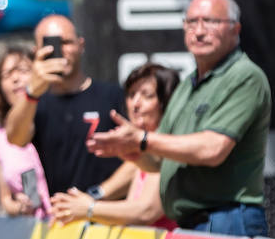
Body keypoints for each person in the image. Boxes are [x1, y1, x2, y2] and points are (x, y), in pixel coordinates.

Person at [89, 0, 270, 237]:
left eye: (211, 21)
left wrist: (143, 140)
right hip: (192, 224)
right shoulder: (186, 86)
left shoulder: (244, 76)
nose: (199, 30)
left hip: (228, 219)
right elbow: (158, 162)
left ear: (235, 29)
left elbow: (213, 149)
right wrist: (130, 151)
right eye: (192, 22)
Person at [4, 14, 124, 195]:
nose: (59, 50)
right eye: (50, 44)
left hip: (108, 214)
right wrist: (32, 92)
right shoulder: (35, 102)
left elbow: (140, 156)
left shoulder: (112, 96)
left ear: (81, 45)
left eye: (66, 42)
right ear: (37, 51)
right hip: (59, 216)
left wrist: (96, 196)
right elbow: (15, 138)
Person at [50, 61, 180, 229]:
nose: (136, 104)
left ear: (167, 102)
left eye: (147, 95)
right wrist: (91, 198)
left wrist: (88, 208)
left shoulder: (168, 146)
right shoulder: (145, 150)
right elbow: (133, 182)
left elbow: (145, 211)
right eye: (132, 95)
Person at [0, 45, 49, 218]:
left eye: (22, 70)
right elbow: (6, 199)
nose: (15, 79)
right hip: (34, 228)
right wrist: (21, 206)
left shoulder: (53, 116)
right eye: (6, 75)